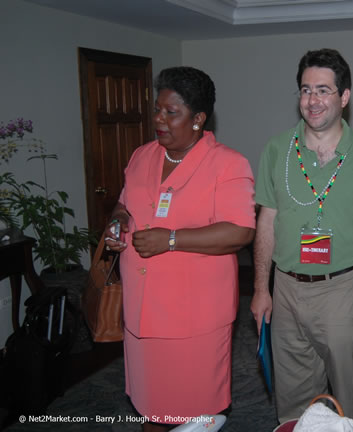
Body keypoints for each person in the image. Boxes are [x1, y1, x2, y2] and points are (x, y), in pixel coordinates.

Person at [250, 48, 353, 427]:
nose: (312, 100)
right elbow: (266, 219)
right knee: (293, 398)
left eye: (323, 90)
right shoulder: (277, 149)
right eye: (305, 90)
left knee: (348, 397)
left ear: (344, 97)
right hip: (286, 287)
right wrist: (261, 288)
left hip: (341, 288)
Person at [105, 66, 256, 432]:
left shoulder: (228, 164)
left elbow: (240, 231)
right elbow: (124, 205)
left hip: (194, 320)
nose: (159, 119)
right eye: (157, 109)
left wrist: (171, 239)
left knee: (192, 415)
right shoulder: (143, 156)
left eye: (171, 112)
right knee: (150, 407)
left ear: (198, 118)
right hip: (142, 313)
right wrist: (117, 224)